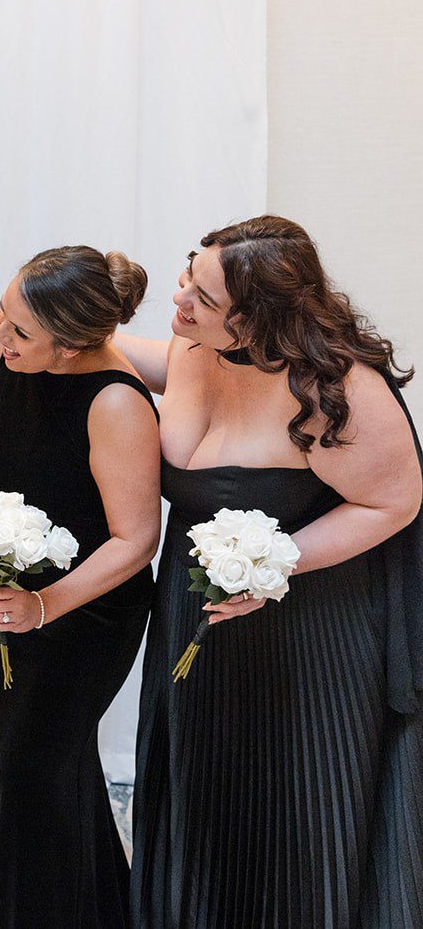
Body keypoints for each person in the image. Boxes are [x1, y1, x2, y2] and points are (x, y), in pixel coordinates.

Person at [123, 215, 423, 927]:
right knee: (203, 800)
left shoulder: (332, 388)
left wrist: (274, 565)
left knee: (293, 817)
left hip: (307, 642)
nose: (180, 299)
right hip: (198, 626)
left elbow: (395, 501)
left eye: (203, 296)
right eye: (188, 276)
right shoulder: (198, 348)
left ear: (256, 319)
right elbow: (117, 352)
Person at [0, 246, 161, 928]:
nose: (0, 337)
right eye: (3, 314)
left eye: (20, 333)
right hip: (8, 594)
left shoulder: (114, 401)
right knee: (27, 772)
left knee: (27, 776)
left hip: (86, 613)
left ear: (75, 345)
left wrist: (45, 605)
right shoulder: (18, 360)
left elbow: (136, 540)